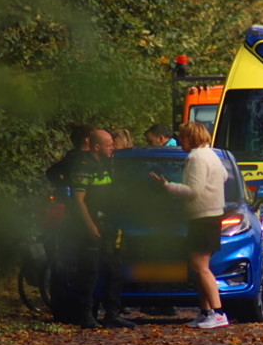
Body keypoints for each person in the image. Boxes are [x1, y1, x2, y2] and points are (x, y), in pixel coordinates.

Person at [151, 122, 230, 329]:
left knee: (200, 267)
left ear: (191, 138)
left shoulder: (196, 157)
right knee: (199, 267)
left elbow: (193, 190)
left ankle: (218, 313)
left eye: (183, 138)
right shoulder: (211, 154)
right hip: (210, 216)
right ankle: (205, 312)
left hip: (203, 217)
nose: (181, 142)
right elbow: (223, 176)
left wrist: (167, 187)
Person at [68, 130, 136, 329]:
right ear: (96, 147)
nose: (112, 148)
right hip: (89, 226)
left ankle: (112, 314)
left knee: (115, 268)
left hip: (108, 225)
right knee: (90, 271)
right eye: (108, 145)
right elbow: (78, 200)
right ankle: (85, 315)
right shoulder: (83, 166)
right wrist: (89, 225)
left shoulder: (107, 164)